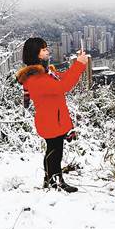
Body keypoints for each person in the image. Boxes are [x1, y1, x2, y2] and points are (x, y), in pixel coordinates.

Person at [15, 37, 88, 193]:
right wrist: (80, 64)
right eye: (43, 49)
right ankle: (52, 181)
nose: (47, 51)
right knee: (54, 152)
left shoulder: (47, 73)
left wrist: (77, 63)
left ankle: (55, 180)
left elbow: (64, 78)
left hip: (56, 119)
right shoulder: (36, 78)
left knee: (56, 151)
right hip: (50, 121)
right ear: (36, 54)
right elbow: (64, 86)